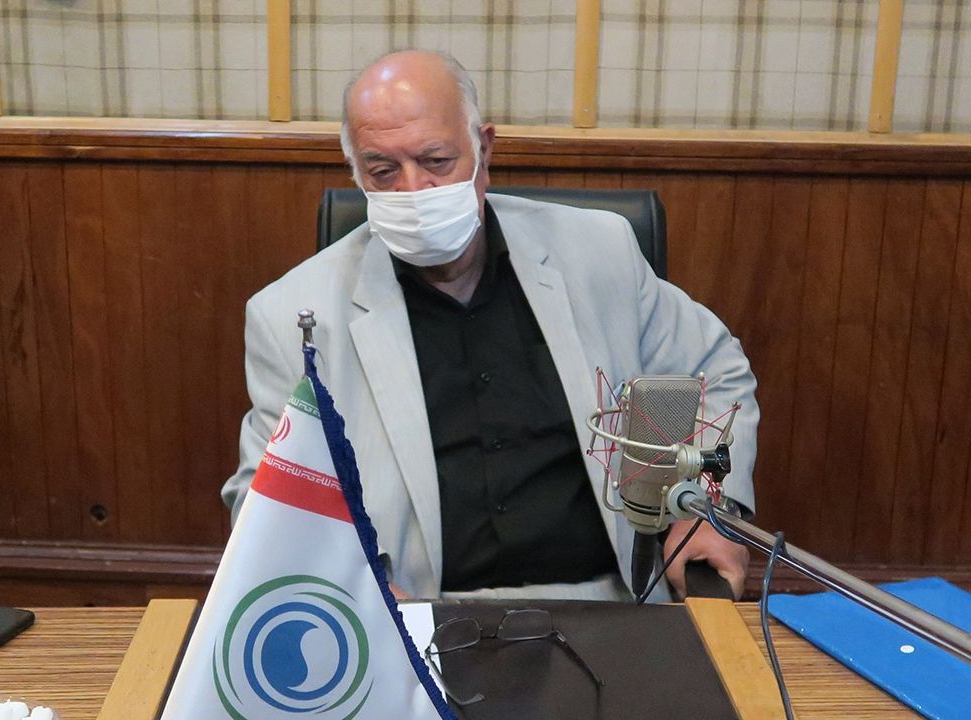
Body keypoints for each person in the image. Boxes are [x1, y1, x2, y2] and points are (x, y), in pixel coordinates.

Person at [223, 50, 757, 603]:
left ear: (484, 149)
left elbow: (712, 375)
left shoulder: (599, 252)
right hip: (416, 613)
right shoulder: (295, 314)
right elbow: (266, 497)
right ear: (356, 172)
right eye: (383, 171)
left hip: (611, 599)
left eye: (436, 160)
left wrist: (706, 505)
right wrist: (352, 585)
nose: (414, 190)